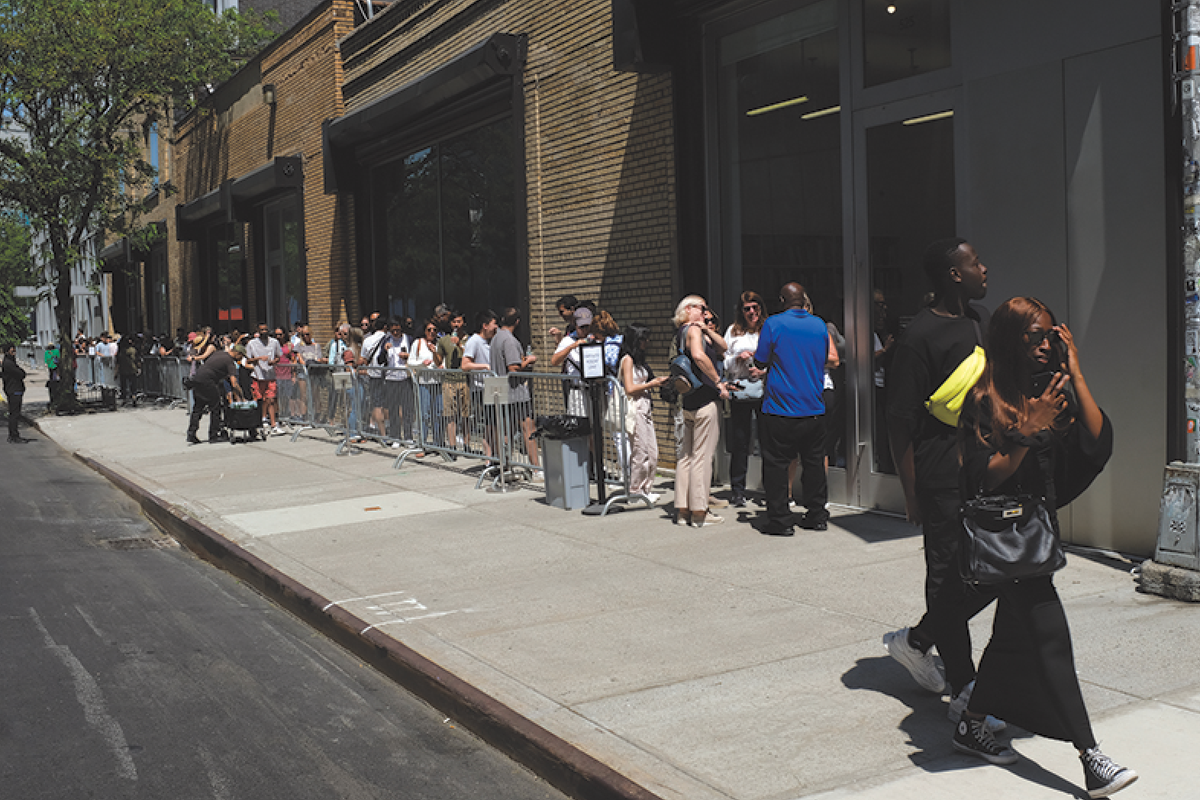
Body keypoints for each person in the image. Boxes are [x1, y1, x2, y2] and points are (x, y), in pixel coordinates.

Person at [951, 297, 1136, 798]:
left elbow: (1095, 441)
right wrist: (1025, 434)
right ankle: (1091, 757)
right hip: (1006, 539)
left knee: (1011, 639)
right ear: (1010, 338)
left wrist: (1076, 373)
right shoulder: (985, 399)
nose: (1044, 345)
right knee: (1052, 640)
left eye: (1051, 336)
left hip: (1036, 535)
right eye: (1035, 335)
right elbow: (982, 478)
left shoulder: (1049, 391)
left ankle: (970, 723)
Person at [882, 238, 995, 702]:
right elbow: (898, 421)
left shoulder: (979, 321)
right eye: (975, 263)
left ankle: (918, 640)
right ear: (954, 274)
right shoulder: (919, 337)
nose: (984, 269)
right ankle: (963, 686)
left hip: (982, 467)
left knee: (994, 569)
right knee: (947, 574)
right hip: (940, 472)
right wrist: (911, 491)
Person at [748, 283, 837, 535]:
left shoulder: (773, 324)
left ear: (781, 300)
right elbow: (824, 357)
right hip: (813, 405)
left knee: (776, 465)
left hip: (781, 406)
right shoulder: (819, 325)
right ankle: (817, 515)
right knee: (814, 463)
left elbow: (760, 361)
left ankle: (781, 521)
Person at [673, 295, 730, 527]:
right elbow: (698, 355)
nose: (706, 313)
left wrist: (706, 328)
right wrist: (718, 382)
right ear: (689, 309)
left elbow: (723, 346)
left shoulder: (682, 332)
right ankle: (699, 512)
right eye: (702, 308)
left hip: (688, 400)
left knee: (686, 457)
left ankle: (682, 511)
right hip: (705, 400)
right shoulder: (694, 331)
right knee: (702, 457)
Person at [723, 291, 767, 507]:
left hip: (765, 390)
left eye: (755, 307)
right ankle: (738, 490)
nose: (751, 312)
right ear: (741, 311)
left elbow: (778, 357)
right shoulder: (733, 331)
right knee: (740, 441)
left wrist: (763, 370)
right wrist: (737, 359)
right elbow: (723, 362)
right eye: (747, 308)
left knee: (766, 441)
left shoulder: (767, 329)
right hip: (740, 389)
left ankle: (769, 489)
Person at [619, 324, 667, 502]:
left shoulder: (639, 361)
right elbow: (629, 388)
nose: (647, 342)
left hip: (645, 406)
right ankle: (635, 490)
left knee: (652, 451)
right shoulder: (627, 360)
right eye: (643, 339)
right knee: (640, 451)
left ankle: (646, 488)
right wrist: (651, 384)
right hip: (635, 407)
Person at [490, 307, 540, 470]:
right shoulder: (509, 340)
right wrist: (529, 361)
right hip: (515, 392)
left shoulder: (496, 338)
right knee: (528, 429)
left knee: (507, 430)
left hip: (500, 390)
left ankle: (504, 466)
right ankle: (536, 468)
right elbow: (513, 367)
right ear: (517, 322)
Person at [187, 343, 245, 444]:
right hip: (208, 381)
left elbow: (216, 369)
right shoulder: (229, 361)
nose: (241, 359)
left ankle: (191, 433)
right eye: (242, 356)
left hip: (197, 378)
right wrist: (242, 396)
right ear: (238, 353)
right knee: (215, 407)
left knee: (198, 407)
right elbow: (234, 383)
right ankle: (213, 435)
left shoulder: (219, 354)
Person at [462, 310, 498, 456]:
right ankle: (489, 457)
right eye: (494, 324)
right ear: (485, 325)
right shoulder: (474, 341)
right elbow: (465, 365)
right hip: (481, 388)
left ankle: (495, 455)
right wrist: (485, 367)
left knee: (495, 424)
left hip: (492, 387)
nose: (496, 327)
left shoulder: (491, 340)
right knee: (489, 424)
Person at [246, 322, 284, 435]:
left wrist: (274, 361)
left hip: (270, 375)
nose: (264, 332)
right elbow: (248, 360)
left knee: (271, 400)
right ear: (258, 331)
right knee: (260, 401)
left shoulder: (274, 342)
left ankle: (274, 425)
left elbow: (278, 356)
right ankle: (262, 421)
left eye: (266, 330)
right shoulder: (252, 343)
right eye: (262, 330)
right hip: (258, 376)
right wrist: (259, 358)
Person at [3, 343, 29, 443]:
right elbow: (21, 374)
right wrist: (21, 372)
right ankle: (14, 436)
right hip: (14, 390)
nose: (14, 350)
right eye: (12, 349)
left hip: (14, 389)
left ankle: (13, 435)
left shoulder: (10, 362)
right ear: (7, 350)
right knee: (14, 414)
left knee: (14, 413)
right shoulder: (8, 363)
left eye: (14, 348)